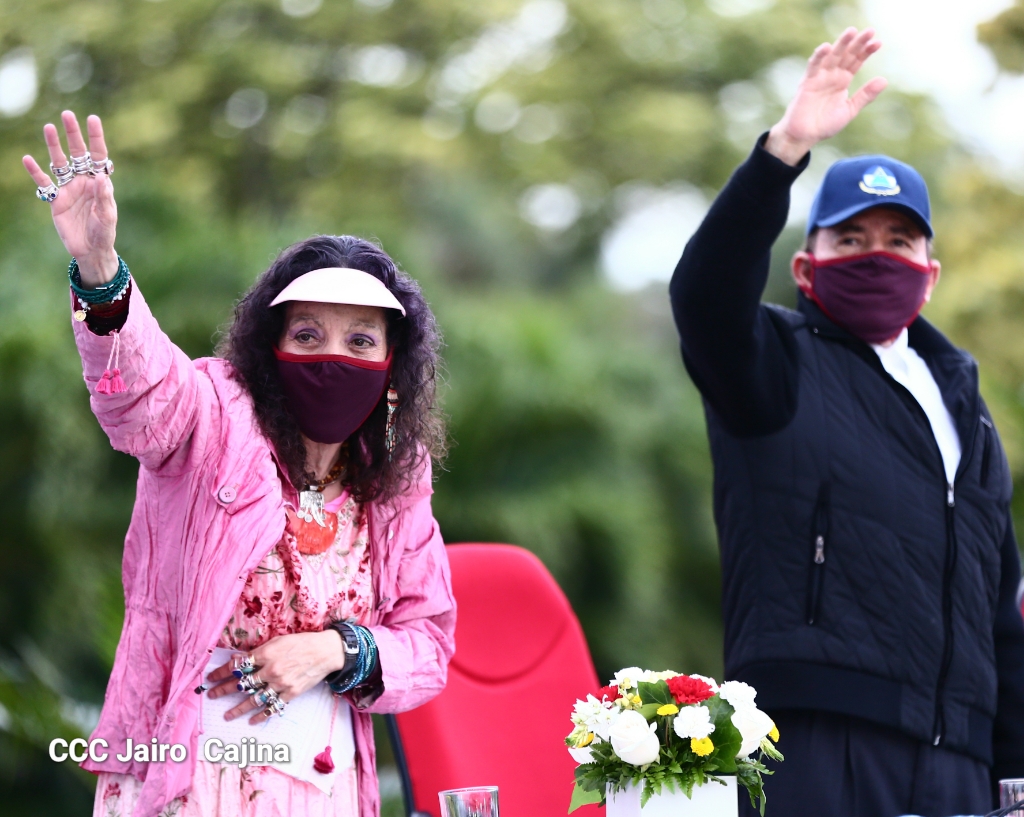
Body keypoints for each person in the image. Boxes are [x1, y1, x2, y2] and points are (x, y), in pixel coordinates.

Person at [22, 111, 455, 817]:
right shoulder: (214, 415)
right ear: (269, 348)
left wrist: (334, 650)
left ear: (393, 367)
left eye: (360, 340)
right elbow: (141, 393)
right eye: (307, 334)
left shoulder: (395, 477)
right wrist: (100, 271)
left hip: (326, 785)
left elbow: (428, 643)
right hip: (188, 778)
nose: (332, 356)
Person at [669, 28, 1024, 817]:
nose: (876, 255)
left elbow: (1000, 607)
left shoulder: (967, 409)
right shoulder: (772, 364)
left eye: (899, 240)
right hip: (815, 740)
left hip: (960, 760)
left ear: (929, 275)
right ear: (806, 266)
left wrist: (1015, 771)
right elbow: (703, 295)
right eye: (852, 238)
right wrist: (784, 150)